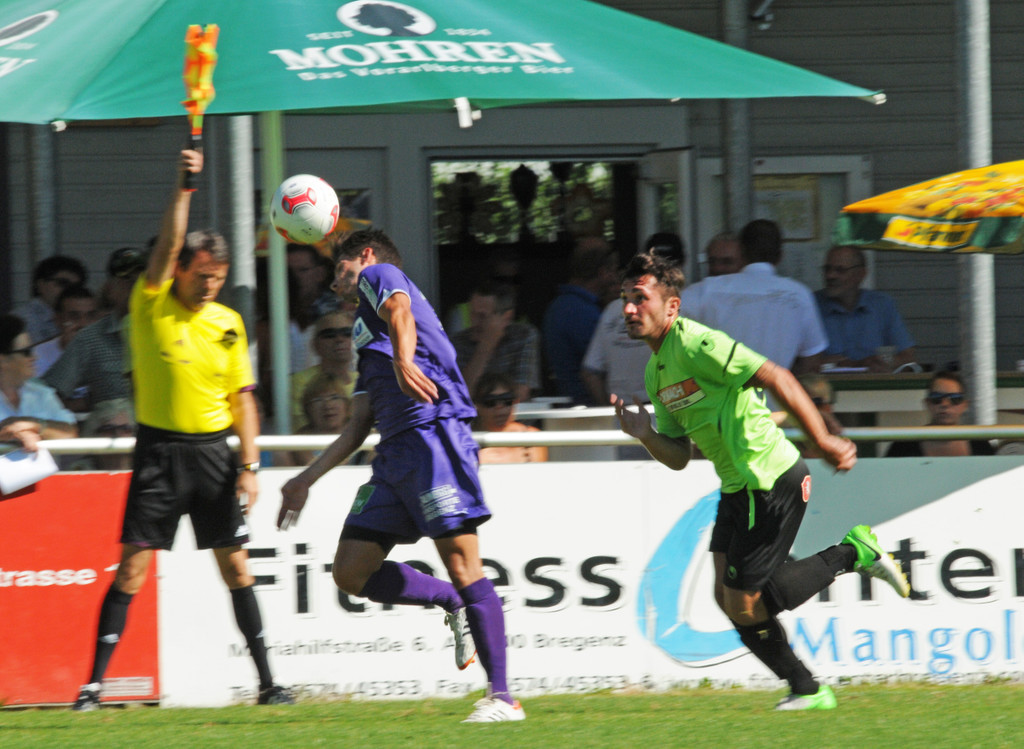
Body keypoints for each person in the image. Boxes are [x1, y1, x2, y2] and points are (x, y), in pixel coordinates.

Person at [612, 251, 909, 710]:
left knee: (745, 603)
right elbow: (678, 458)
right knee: (726, 597)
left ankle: (854, 554)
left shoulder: (698, 344)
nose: (630, 309)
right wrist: (646, 435)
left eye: (640, 298)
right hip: (738, 487)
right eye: (625, 299)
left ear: (671, 306)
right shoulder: (656, 372)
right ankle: (806, 689)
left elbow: (777, 375)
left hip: (768, 478)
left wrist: (823, 439)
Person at [72, 148, 292, 711]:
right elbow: (169, 243)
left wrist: (249, 467)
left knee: (236, 568)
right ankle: (92, 687)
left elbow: (243, 400)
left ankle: (269, 684)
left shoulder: (229, 323)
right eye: (202, 276)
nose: (210, 286)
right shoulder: (151, 304)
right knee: (133, 568)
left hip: (214, 455)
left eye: (218, 278)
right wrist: (184, 186)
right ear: (179, 270)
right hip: (160, 453)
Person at [277, 228, 524, 723]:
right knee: (350, 572)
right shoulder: (363, 330)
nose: (336, 281)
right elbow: (356, 427)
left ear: (365, 257)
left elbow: (401, 312)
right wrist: (305, 479)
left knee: (464, 564)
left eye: (341, 269)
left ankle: (503, 697)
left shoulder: (382, 275)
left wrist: (405, 359)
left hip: (433, 437)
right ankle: (450, 601)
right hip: (393, 456)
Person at [679, 219, 827, 377]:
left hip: (717, 390)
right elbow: (811, 363)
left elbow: (666, 322)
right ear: (780, 256)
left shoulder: (705, 290)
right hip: (774, 391)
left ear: (741, 251)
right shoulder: (798, 295)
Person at [43, 246, 146, 423]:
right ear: (110, 288)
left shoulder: (173, 332)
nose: (135, 288)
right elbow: (47, 394)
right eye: (127, 281)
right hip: (116, 438)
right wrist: (82, 408)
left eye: (143, 280)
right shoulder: (91, 339)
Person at [583, 233, 685, 408]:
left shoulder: (614, 310)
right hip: (665, 412)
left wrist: (611, 410)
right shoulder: (685, 307)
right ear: (682, 265)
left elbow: (590, 372)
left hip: (624, 414)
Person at [542, 237, 620, 403]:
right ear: (602, 272)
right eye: (613, 271)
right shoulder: (582, 312)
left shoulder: (560, 305)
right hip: (586, 407)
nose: (616, 279)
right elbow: (605, 366)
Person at [816, 245, 917, 373]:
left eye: (840, 270)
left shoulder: (881, 305)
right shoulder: (811, 305)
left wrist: (885, 362)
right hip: (827, 384)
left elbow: (909, 358)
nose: (830, 275)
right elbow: (798, 364)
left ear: (861, 274)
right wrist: (849, 364)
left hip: (874, 383)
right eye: (827, 269)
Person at [451, 282, 541, 403]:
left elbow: (520, 394)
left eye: (482, 316)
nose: (474, 322)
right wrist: (484, 349)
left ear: (506, 317)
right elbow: (462, 395)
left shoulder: (524, 336)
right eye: (472, 314)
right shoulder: (458, 342)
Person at [0, 314, 78, 440]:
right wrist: (9, 431)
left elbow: (70, 431)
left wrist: (33, 425)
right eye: (26, 352)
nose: (34, 357)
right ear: (3, 360)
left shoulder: (42, 393)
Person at [885, 371, 994, 457]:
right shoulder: (903, 446)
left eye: (955, 399)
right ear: (927, 403)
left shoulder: (980, 446)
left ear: (964, 405)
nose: (945, 404)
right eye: (936, 398)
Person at [289, 310, 356, 431]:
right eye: (329, 334)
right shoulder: (299, 382)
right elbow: (305, 431)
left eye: (347, 333)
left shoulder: (365, 380)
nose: (339, 339)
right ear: (315, 345)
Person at [278, 372, 352, 467]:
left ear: (346, 404)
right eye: (318, 400)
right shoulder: (299, 441)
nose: (328, 405)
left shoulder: (362, 432)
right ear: (308, 408)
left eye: (334, 397)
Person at [472, 372, 548, 464]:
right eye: (490, 402)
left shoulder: (531, 437)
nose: (499, 406)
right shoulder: (466, 439)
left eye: (507, 400)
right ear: (477, 406)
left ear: (515, 402)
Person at [14, 255, 88, 346]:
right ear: (40, 284)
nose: (69, 290)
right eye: (63, 283)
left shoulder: (85, 316)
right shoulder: (22, 320)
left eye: (76, 286)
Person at [32, 285, 98, 377]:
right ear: (58, 319)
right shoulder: (37, 356)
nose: (84, 324)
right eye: (74, 316)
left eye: (91, 316)